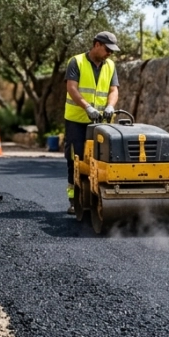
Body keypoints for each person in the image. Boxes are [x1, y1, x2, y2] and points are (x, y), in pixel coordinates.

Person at [64, 31, 120, 214]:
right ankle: (75, 199)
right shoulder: (76, 62)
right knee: (76, 159)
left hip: (102, 123)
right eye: (107, 49)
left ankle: (97, 198)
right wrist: (87, 107)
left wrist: (110, 106)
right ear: (97, 44)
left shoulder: (110, 65)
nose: (110, 53)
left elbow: (113, 90)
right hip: (77, 121)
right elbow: (72, 88)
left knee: (102, 160)